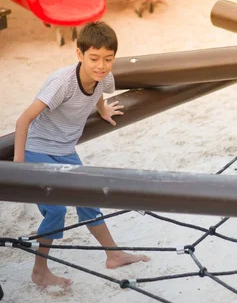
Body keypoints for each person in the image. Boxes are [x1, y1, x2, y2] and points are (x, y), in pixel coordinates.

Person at [13, 21, 150, 289]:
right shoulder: (60, 83)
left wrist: (102, 109)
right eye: (94, 58)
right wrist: (19, 167)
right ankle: (40, 270)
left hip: (65, 150)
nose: (101, 65)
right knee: (56, 211)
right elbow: (23, 120)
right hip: (38, 149)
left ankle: (113, 254)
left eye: (108, 59)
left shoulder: (104, 77)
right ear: (79, 54)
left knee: (88, 198)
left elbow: (97, 90)